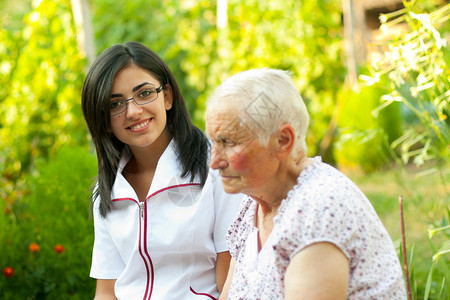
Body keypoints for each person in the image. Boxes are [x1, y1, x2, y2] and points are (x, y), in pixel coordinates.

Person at [205, 69, 407, 299]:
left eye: (228, 142)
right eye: (214, 141)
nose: (214, 162)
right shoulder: (252, 207)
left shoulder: (320, 209)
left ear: (283, 141)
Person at [81, 41, 242, 300]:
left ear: (167, 96)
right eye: (115, 104)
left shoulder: (217, 167)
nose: (133, 111)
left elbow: (232, 281)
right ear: (104, 121)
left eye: (144, 93)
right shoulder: (107, 191)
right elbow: (107, 292)